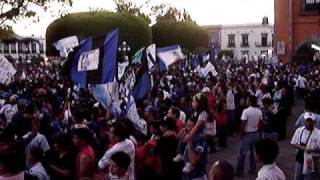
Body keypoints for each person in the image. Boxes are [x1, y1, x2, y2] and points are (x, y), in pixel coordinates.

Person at [236, 95, 262, 177]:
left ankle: (240, 171)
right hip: (255, 133)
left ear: (250, 101)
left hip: (247, 134)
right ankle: (252, 169)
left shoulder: (246, 111)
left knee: (242, 154)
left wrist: (241, 133)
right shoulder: (259, 111)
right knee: (253, 153)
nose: (246, 101)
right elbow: (261, 123)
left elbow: (243, 123)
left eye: (247, 100)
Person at [291, 113, 320, 180]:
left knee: (309, 177)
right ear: (304, 121)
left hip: (312, 159)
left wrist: (312, 150)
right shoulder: (299, 130)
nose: (308, 123)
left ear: (314, 122)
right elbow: (293, 143)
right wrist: (301, 147)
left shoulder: (318, 133)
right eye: (307, 121)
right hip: (300, 157)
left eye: (310, 121)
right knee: (297, 177)